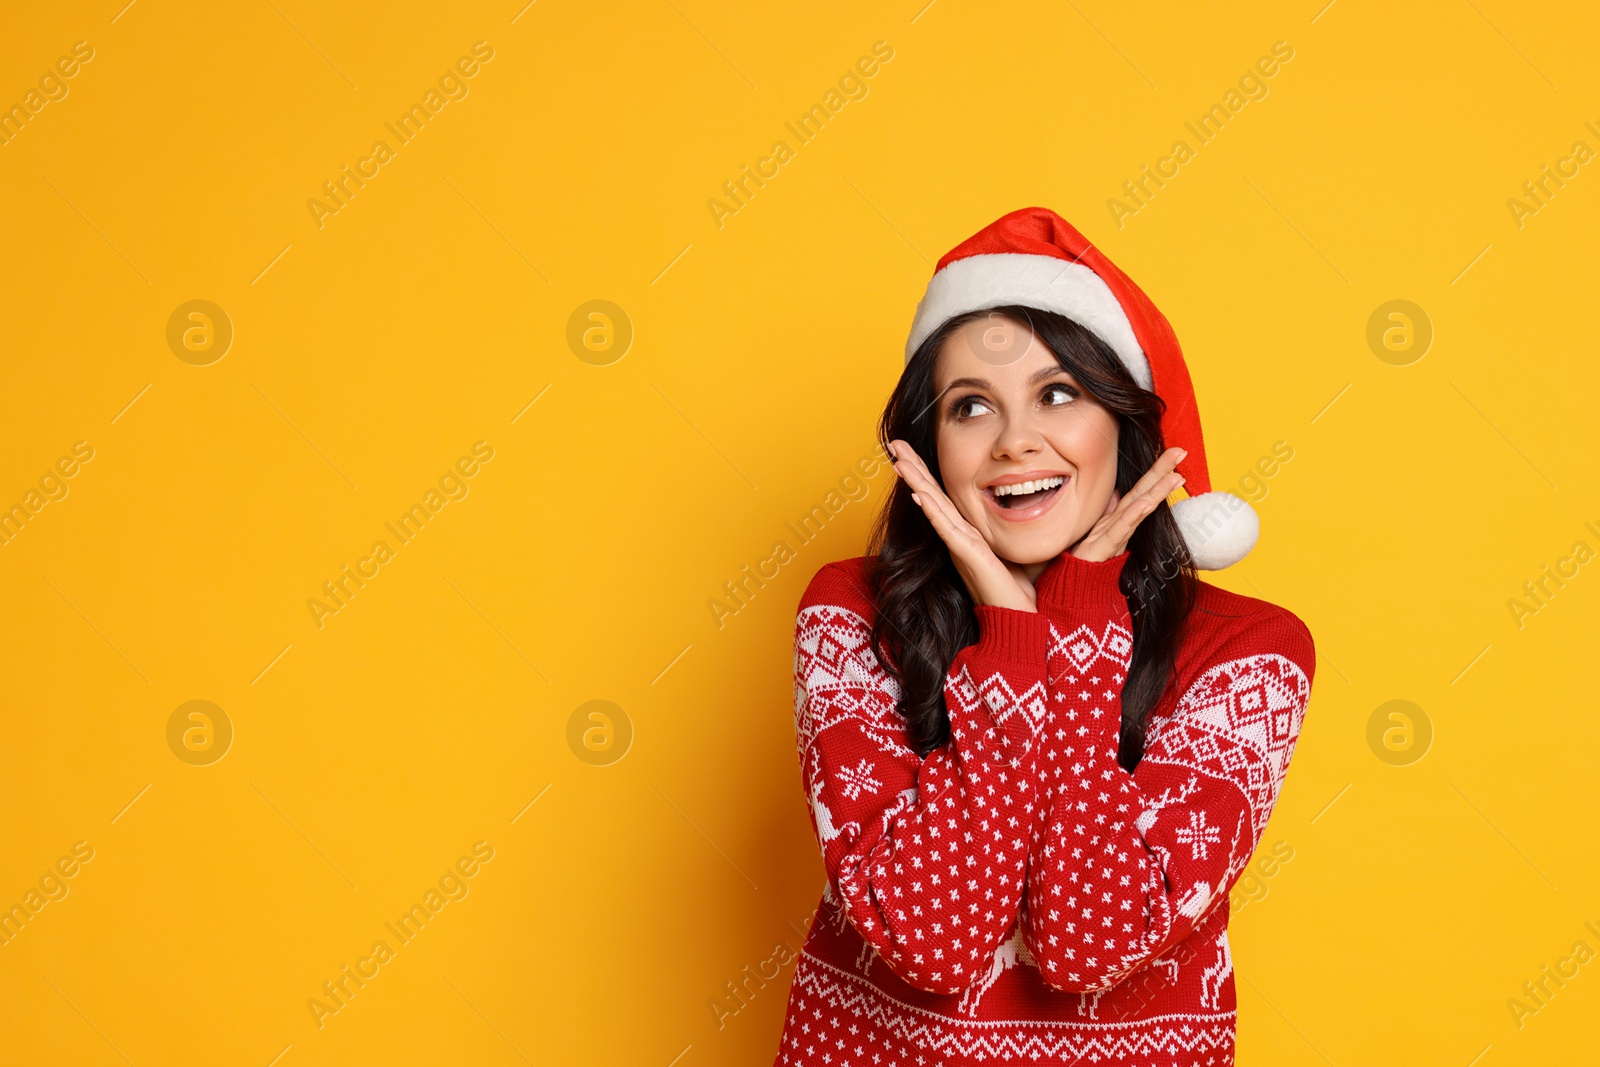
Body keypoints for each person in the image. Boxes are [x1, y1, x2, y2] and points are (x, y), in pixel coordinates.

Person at [771, 207, 1316, 1066]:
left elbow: (1084, 948)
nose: (1015, 439)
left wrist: (1075, 625)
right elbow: (929, 941)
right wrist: (1013, 639)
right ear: (931, 445)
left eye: (1058, 394)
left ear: (1124, 428)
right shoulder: (851, 615)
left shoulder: (1252, 651)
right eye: (971, 407)